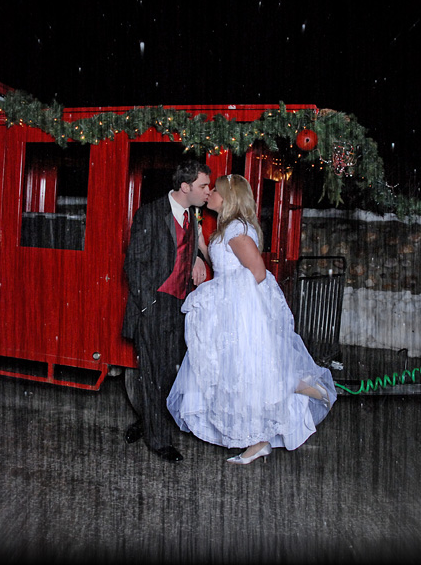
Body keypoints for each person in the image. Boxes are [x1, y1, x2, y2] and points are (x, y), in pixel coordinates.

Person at [167, 174, 336, 464]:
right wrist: (199, 245)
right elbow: (221, 264)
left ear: (228, 197)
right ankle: (258, 442)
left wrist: (222, 298)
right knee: (242, 375)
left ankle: (304, 391)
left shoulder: (237, 229)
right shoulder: (228, 228)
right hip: (229, 309)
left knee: (249, 373)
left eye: (215, 191)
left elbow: (256, 272)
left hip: (240, 313)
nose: (210, 195)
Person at [121, 160, 212, 462]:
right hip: (155, 304)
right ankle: (158, 441)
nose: (208, 192)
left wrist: (198, 256)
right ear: (185, 187)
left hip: (180, 304)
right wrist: (148, 304)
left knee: (169, 373)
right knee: (152, 374)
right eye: (203, 186)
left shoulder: (193, 213)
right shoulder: (150, 213)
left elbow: (186, 247)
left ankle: (147, 423)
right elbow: (134, 265)